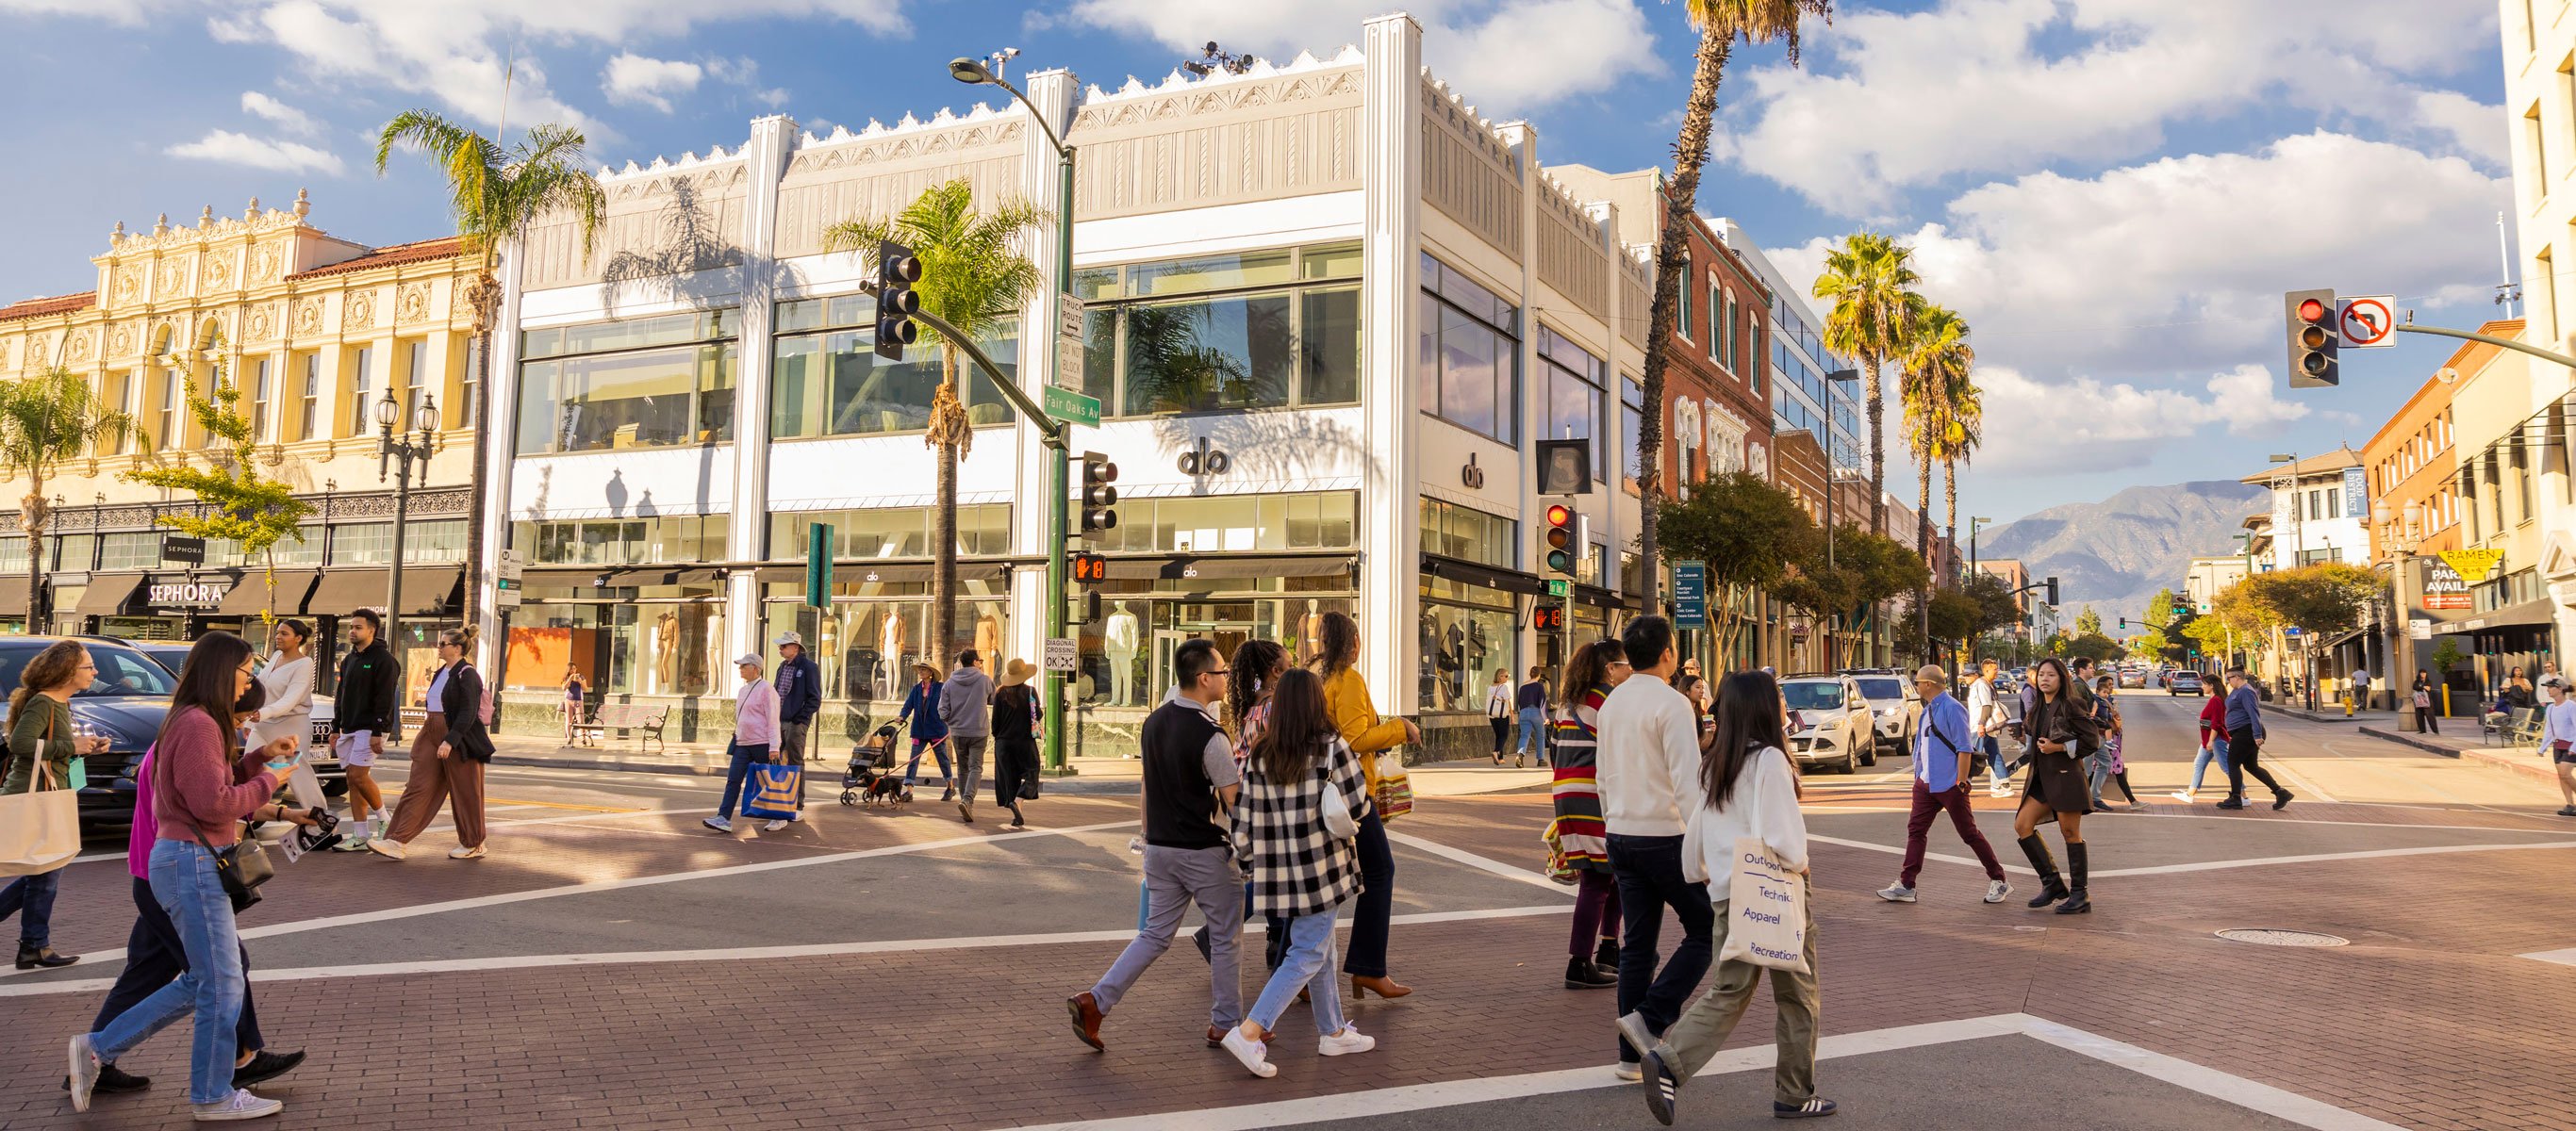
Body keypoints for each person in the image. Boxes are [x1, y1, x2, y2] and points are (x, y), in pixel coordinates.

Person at [69, 631, 304, 1121]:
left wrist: (258, 759)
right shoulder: (198, 724)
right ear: (223, 672)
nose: (249, 681)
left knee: (210, 980)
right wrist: (269, 781)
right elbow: (213, 803)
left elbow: (209, 785)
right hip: (191, 862)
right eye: (245, 671)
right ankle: (211, 1094)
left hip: (186, 861)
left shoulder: (195, 721)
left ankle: (99, 1048)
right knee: (221, 982)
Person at [1633, 669, 1833, 1124]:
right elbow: (1785, 838)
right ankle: (1794, 1092)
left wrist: (1703, 873)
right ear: (1763, 708)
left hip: (1729, 891)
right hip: (1776, 890)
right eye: (1778, 697)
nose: (1784, 703)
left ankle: (1671, 1058)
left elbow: (1697, 833)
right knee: (1798, 994)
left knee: (1729, 989)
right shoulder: (1770, 762)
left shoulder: (1716, 762)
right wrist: (1801, 864)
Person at [80, 732, 313, 1100]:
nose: (245, 721)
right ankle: (235, 1061)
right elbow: (213, 805)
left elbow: (220, 796)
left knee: (150, 972)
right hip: (177, 872)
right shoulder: (194, 737)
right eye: (240, 711)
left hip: (157, 872)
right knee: (221, 972)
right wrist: (269, 780)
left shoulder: (181, 737)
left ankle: (96, 1058)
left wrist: (283, 810)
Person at [1068, 639, 1245, 1054]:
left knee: (1154, 935)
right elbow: (1235, 800)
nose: (1226, 679)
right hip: (1202, 850)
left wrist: (1148, 838)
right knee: (1225, 937)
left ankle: (1097, 1000)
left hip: (1160, 848)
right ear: (1204, 679)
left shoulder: (1154, 722)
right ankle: (1225, 1023)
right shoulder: (1211, 734)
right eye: (1222, 672)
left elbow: (1148, 786)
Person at [1217, 666, 1378, 1077]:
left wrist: (1252, 866)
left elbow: (1243, 821)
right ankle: (1251, 1031)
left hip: (1279, 875)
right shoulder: (1331, 747)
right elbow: (1359, 804)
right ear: (1316, 703)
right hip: (1323, 869)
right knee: (1307, 951)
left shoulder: (1261, 754)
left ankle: (1334, 1031)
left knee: (1321, 948)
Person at [1600, 615, 1713, 1080]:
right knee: (1706, 930)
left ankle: (1631, 1057)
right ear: (1667, 653)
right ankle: (1647, 1021)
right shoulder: (1671, 704)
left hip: (1621, 833)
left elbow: (1602, 777)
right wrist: (1704, 848)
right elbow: (1688, 784)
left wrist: (1614, 821)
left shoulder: (1612, 703)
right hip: (1665, 834)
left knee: (1637, 944)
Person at [1312, 611, 1413, 999]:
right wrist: (1401, 728)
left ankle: (1300, 965)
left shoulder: (1323, 680)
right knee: (1381, 870)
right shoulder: (1349, 681)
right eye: (1357, 640)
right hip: (1351, 794)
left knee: (1323, 878)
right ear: (1351, 643)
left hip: (1328, 790)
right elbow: (1355, 740)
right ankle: (1368, 967)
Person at [5, 640, 110, 969]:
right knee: (45, 872)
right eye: (88, 667)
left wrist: (85, 748)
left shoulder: (58, 703)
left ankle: (34, 945)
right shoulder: (44, 703)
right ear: (67, 672)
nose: (94, 672)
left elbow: (52, 746)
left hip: (50, 792)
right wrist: (71, 744)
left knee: (42, 872)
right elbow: (21, 743)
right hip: (34, 793)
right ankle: (35, 945)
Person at [1877, 664, 2012, 906]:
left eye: (1918, 682)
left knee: (1969, 833)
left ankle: (1999, 879)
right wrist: (1920, 776)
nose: (1916, 686)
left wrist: (1961, 781)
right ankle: (1907, 884)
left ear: (1928, 684)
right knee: (1916, 831)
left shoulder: (1952, 708)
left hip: (1950, 783)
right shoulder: (1928, 709)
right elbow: (1922, 746)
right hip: (1926, 783)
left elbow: (1963, 747)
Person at [372, 627, 497, 861]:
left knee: (466, 791)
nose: (438, 647)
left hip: (459, 735)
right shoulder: (442, 672)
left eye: (443, 644)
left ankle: (474, 843)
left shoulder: (467, 674)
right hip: (432, 729)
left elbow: (468, 711)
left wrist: (450, 740)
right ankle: (396, 841)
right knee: (418, 786)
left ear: (457, 648)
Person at [1548, 639, 1631, 990]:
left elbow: (1554, 752)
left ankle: (1608, 949)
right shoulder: (1609, 701)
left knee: (1611, 870)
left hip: (1567, 791)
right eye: (1625, 665)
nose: (1630, 670)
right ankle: (1580, 962)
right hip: (1593, 793)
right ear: (1610, 669)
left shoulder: (1569, 705)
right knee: (1598, 879)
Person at [2012, 658, 2103, 915]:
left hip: (2066, 777)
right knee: (2022, 825)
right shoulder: (2036, 708)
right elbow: (2031, 745)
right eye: (2041, 675)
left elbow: (2091, 740)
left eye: (2051, 675)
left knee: (2070, 833)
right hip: (2041, 778)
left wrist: (2060, 747)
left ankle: (2080, 894)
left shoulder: (2072, 704)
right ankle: (2052, 883)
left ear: (2061, 678)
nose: (2045, 679)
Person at [328, 609, 401, 851]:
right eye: (351, 626)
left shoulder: (384, 660)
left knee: (359, 776)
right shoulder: (349, 659)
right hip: (348, 725)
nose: (352, 631)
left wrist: (378, 731)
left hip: (370, 728)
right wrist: (336, 727)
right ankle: (360, 835)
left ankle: (384, 820)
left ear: (372, 630)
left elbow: (385, 698)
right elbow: (341, 695)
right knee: (352, 779)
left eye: (358, 627)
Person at [704, 654, 782, 834]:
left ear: (755, 668)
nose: (740, 669)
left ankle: (779, 817)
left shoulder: (767, 689)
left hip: (762, 743)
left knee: (768, 782)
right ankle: (723, 818)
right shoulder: (743, 690)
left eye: (744, 666)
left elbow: (773, 719)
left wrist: (774, 746)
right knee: (733, 780)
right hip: (743, 744)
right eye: (740, 666)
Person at [2219, 667, 2293, 811]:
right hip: (2241, 732)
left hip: (2246, 732)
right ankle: (2280, 792)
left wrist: (2257, 735)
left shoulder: (2246, 691)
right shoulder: (2236, 691)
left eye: (2229, 678)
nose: (2228, 681)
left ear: (2238, 677)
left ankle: (2235, 798)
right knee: (2251, 766)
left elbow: (2254, 713)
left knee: (2232, 763)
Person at [244, 620, 314, 763]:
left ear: (298, 638)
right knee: (250, 767)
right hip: (263, 725)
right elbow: (261, 687)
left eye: (284, 633)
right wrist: (249, 723)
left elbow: (290, 699)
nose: (278, 637)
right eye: (277, 633)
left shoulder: (305, 663)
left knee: (297, 777)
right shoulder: (276, 656)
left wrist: (262, 714)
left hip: (292, 727)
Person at [772, 631, 822, 828]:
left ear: (795, 647)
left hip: (795, 722)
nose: (781, 649)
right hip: (779, 721)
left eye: (784, 646)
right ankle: (777, 801)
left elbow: (814, 698)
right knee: (776, 760)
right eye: (781, 646)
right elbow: (778, 693)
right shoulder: (782, 667)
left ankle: (797, 806)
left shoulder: (809, 667)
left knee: (795, 762)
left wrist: (800, 719)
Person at [939, 649, 994, 824]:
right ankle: (968, 800)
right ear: (976, 662)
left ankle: (965, 801)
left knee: (963, 768)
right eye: (980, 661)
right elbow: (994, 699)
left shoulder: (949, 683)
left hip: (958, 732)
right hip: (978, 730)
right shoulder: (984, 680)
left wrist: (952, 721)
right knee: (976, 767)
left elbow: (942, 710)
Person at [990, 659, 1042, 828]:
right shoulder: (1030, 692)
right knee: (1032, 772)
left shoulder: (1000, 693)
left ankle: (1017, 812)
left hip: (1003, 743)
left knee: (1010, 778)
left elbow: (995, 722)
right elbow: (1038, 715)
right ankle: (1018, 801)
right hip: (1025, 741)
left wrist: (998, 737)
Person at [895, 663, 953, 801]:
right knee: (913, 760)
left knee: (942, 760)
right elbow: (908, 706)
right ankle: (909, 791)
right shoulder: (916, 689)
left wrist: (950, 720)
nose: (920, 671)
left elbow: (949, 705)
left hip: (937, 730)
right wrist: (902, 716)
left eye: (924, 669)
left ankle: (950, 787)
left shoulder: (941, 688)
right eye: (919, 669)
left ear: (931, 672)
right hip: (919, 730)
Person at [2174, 682, 2233, 803]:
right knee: (2199, 764)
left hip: (2215, 740)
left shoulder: (2216, 700)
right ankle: (2190, 794)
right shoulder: (2215, 699)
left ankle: (2243, 795)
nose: (2202, 687)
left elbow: (2216, 723)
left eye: (2204, 684)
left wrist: (2211, 741)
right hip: (2208, 739)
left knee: (2226, 767)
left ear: (2212, 685)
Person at [1970, 659, 2014, 797]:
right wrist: (1982, 724)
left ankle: (2000, 785)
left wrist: (1981, 724)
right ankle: (2000, 784)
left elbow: (1987, 706)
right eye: (1995, 669)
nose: (1997, 672)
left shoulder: (1983, 685)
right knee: (1986, 755)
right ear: (1986, 670)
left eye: (1996, 669)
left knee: (1977, 755)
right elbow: (1986, 706)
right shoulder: (1984, 685)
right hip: (1984, 726)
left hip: (1982, 726)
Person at [2545, 678, 2576, 818]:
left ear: (2560, 689)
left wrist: (2575, 746)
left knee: (2565, 774)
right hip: (2558, 745)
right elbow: (2549, 729)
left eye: (2551, 687)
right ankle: (2570, 804)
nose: (2548, 689)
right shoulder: (2550, 708)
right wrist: (2543, 747)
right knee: (2561, 777)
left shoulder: (2571, 706)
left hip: (2571, 744)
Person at [1514, 664, 1550, 768]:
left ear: (1530, 674)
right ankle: (1541, 759)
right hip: (1536, 712)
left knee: (1524, 735)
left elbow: (1520, 701)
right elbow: (1542, 702)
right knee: (1540, 735)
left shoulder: (1522, 687)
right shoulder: (1539, 686)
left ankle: (1520, 755)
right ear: (1539, 675)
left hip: (1524, 712)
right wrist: (1546, 717)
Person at [1485, 668, 1513, 764]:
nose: (1507, 678)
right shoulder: (1503, 687)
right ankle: (1496, 752)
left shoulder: (1490, 687)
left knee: (1498, 735)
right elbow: (1508, 702)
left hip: (1492, 715)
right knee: (1504, 735)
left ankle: (1500, 758)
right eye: (1506, 676)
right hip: (1502, 715)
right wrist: (1512, 715)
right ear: (1500, 676)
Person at [561, 665, 586, 745]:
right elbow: (564, 688)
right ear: (568, 670)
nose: (573, 670)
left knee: (581, 720)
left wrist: (580, 681)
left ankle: (583, 737)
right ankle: (569, 737)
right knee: (569, 720)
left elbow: (585, 689)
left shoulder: (581, 677)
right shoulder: (565, 677)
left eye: (575, 668)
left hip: (578, 700)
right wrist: (570, 678)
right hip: (568, 700)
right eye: (571, 669)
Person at [2411, 670, 2440, 735]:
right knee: (2419, 716)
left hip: (2427, 701)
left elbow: (2429, 689)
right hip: (2418, 701)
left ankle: (2435, 731)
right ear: (2419, 674)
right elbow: (2414, 687)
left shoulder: (2428, 681)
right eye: (2421, 673)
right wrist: (2423, 687)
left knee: (2430, 716)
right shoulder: (2417, 681)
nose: (2423, 674)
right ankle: (2422, 730)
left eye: (2424, 673)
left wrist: (2420, 688)